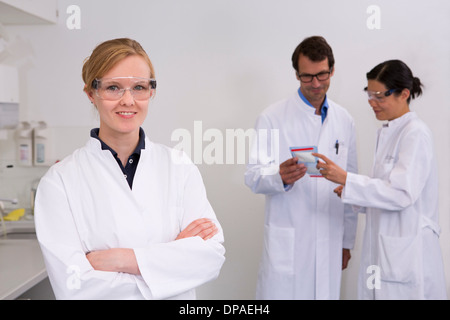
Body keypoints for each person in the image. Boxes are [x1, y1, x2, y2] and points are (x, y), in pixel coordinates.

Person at [34, 38, 225, 299]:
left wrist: (121, 260)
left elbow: (210, 257)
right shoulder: (60, 182)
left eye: (139, 87)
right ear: (91, 93)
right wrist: (170, 264)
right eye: (113, 87)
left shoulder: (179, 167)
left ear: (151, 92)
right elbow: (75, 286)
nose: (128, 100)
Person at [314, 59, 447, 299]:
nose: (372, 103)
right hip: (386, 252)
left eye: (379, 96)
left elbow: (401, 194)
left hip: (408, 256)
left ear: (404, 94)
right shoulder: (390, 132)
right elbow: (386, 192)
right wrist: (350, 191)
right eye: (369, 94)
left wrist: (348, 180)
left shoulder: (415, 134)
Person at [244, 36, 358, 299]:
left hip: (330, 237)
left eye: (322, 75)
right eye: (307, 77)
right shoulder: (272, 117)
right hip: (290, 239)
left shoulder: (345, 120)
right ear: (296, 75)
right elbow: (252, 176)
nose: (316, 84)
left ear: (332, 70)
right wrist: (279, 177)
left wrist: (347, 242)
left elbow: (350, 185)